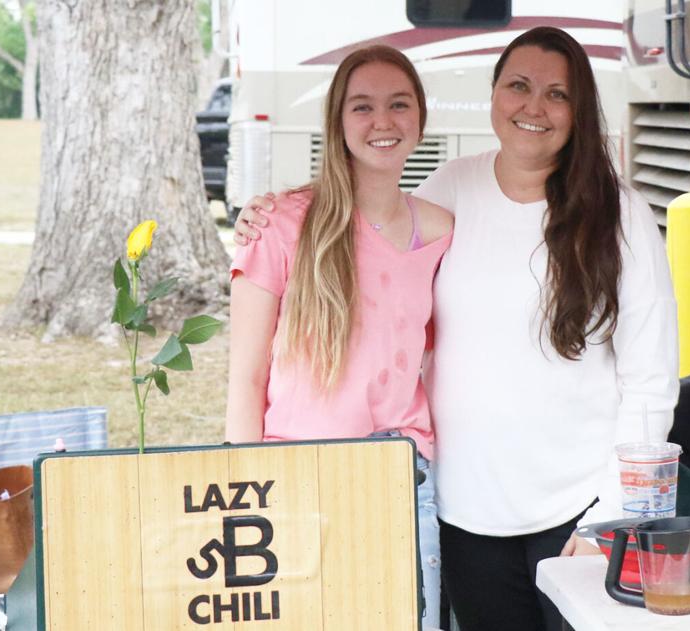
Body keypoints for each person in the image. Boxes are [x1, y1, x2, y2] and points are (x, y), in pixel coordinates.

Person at [234, 27, 678, 631]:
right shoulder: (446, 195)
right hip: (462, 512)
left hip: (579, 516)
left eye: (557, 94)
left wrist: (615, 513)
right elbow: (368, 249)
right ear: (493, 94)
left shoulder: (621, 215)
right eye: (518, 86)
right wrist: (270, 214)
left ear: (581, 112)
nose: (534, 107)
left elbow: (651, 381)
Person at [223, 45, 453, 630]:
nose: (383, 121)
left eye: (400, 104)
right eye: (363, 106)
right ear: (337, 122)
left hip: (406, 479)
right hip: (300, 475)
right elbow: (246, 378)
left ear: (420, 118)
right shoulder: (281, 223)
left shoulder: (442, 231)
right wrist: (244, 494)